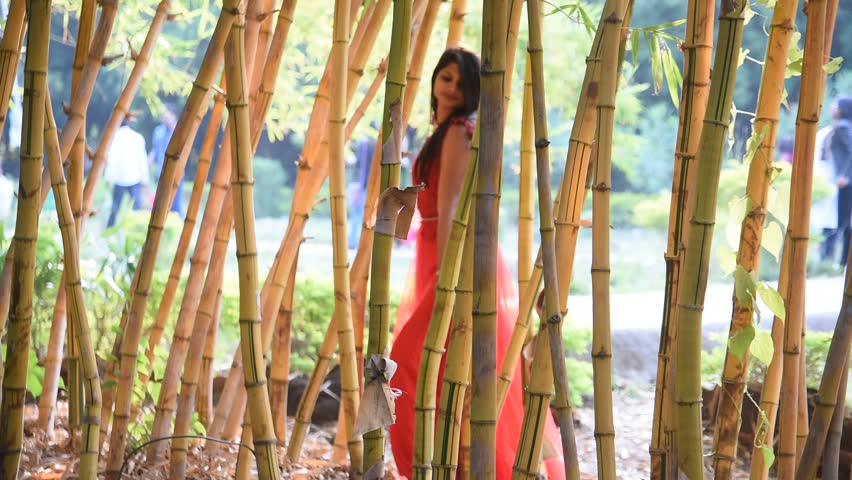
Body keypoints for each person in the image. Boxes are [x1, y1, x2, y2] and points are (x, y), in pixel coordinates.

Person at [388, 47, 565, 480]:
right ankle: (445, 464)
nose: (451, 87)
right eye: (445, 77)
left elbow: (450, 206)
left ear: (472, 90)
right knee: (438, 364)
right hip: (436, 253)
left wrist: (448, 277)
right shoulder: (445, 130)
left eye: (460, 81)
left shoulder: (457, 132)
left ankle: (433, 464)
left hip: (453, 259)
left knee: (407, 360)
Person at [104, 116, 149, 228]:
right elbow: (142, 160)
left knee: (115, 208)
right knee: (136, 207)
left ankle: (109, 229)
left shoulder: (114, 137)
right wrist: (144, 180)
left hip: (119, 178)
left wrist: (108, 177)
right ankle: (136, 228)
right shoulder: (137, 137)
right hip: (134, 177)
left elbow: (111, 159)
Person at [829, 96, 852, 266]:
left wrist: (845, 176)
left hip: (847, 182)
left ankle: (844, 261)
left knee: (844, 221)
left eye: (835, 106)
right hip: (846, 180)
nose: (832, 108)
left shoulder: (842, 126)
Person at [149, 105, 182, 216]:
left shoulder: (180, 130)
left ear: (174, 116)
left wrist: (173, 126)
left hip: (176, 173)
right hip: (161, 172)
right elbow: (156, 150)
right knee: (161, 204)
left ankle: (179, 222)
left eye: (168, 115)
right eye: (163, 115)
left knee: (175, 204)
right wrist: (150, 160)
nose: (165, 118)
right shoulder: (158, 131)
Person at [813, 125, 837, 262]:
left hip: (833, 183)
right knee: (824, 222)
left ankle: (827, 257)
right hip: (825, 182)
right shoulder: (826, 133)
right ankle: (824, 257)